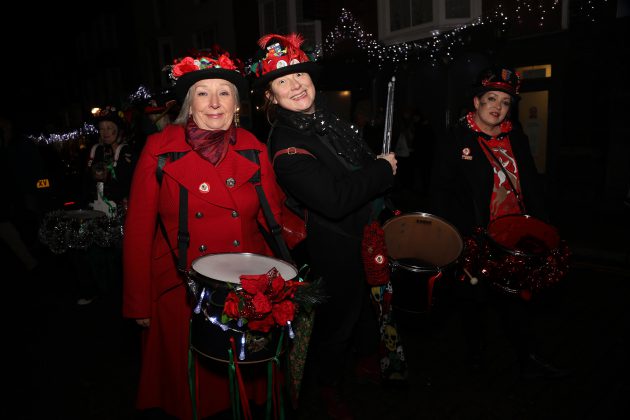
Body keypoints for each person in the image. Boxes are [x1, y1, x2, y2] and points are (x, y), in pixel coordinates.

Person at [122, 48, 296, 420]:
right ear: (189, 104)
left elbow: (273, 222)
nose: (214, 102)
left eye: (224, 92)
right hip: (181, 290)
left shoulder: (254, 150)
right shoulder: (159, 150)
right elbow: (138, 232)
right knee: (195, 396)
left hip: (245, 290)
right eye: (203, 93)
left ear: (236, 104)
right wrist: (139, 303)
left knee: (243, 395)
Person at [250, 33, 398, 419]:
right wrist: (382, 171)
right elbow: (334, 200)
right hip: (331, 245)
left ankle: (366, 360)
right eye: (282, 81)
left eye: (300, 75)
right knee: (338, 320)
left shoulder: (325, 120)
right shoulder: (287, 143)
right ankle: (328, 385)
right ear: (271, 96)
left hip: (363, 232)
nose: (296, 85)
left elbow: (354, 165)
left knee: (368, 305)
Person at [428, 66, 570, 379]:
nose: (498, 106)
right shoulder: (456, 139)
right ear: (476, 102)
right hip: (476, 237)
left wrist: (545, 228)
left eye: (505, 102)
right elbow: (440, 192)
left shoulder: (515, 137)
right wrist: (457, 238)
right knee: (474, 302)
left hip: (516, 236)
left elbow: (532, 185)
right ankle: (476, 358)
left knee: (517, 300)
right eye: (491, 98)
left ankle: (527, 356)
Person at [73, 106, 134, 305]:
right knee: (91, 253)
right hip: (96, 211)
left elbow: (128, 185)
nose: (105, 132)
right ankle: (96, 292)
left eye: (109, 128)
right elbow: (84, 183)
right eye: (101, 128)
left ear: (118, 130)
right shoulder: (95, 150)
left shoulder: (126, 151)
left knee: (118, 257)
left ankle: (122, 296)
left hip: (119, 214)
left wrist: (108, 178)